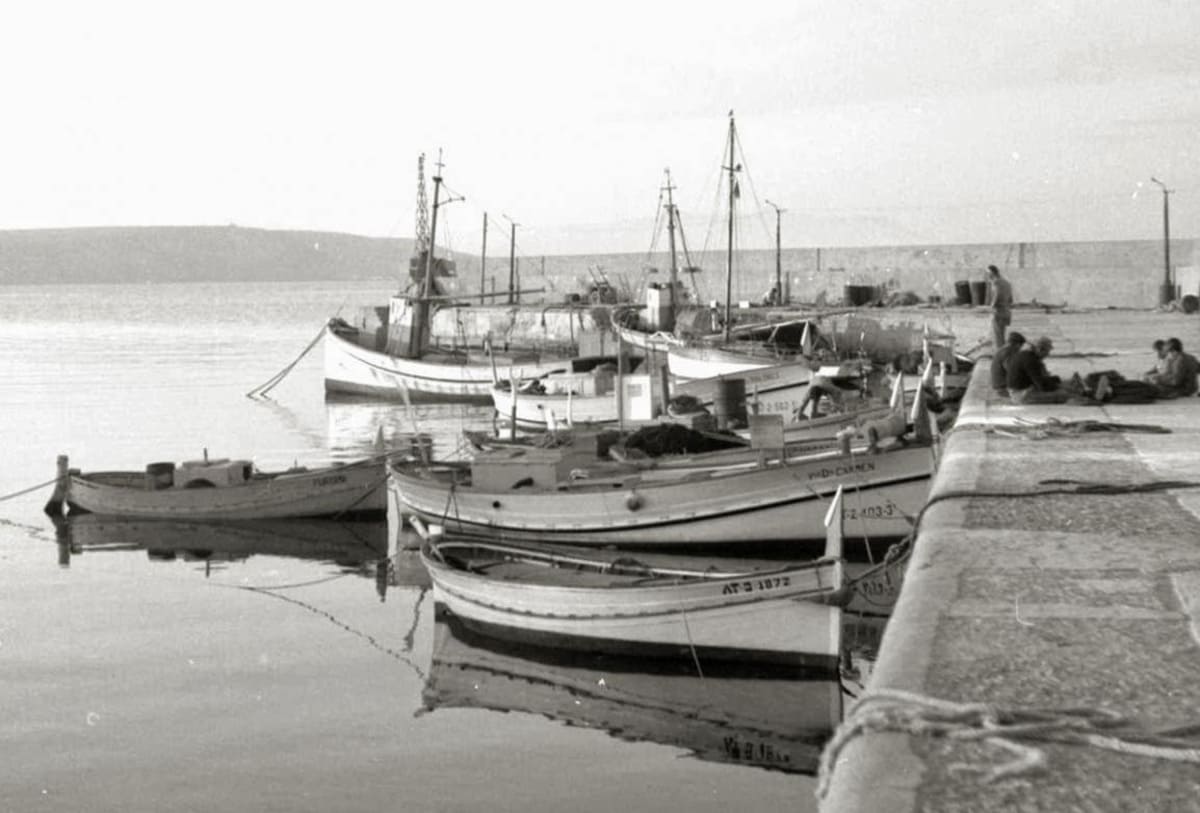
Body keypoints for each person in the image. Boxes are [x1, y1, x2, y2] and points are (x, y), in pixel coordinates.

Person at [1006, 335, 1069, 404]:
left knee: (1060, 388)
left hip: (1020, 391)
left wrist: (1055, 381)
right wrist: (1059, 386)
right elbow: (1042, 386)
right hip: (1022, 395)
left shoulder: (1027, 355)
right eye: (1047, 351)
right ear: (1040, 349)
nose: (1048, 354)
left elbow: (1039, 380)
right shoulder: (1030, 360)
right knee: (1064, 395)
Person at [989, 330, 1026, 398]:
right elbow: (1012, 371)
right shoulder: (1008, 352)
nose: (1020, 349)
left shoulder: (1003, 350)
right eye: (1021, 346)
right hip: (1003, 388)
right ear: (1017, 345)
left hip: (1000, 386)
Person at [986, 264, 1013, 352]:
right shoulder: (1007, 283)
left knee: (998, 337)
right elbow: (1011, 299)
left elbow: (997, 296)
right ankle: (1003, 354)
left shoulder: (996, 283)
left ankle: (1000, 356)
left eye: (988, 273)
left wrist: (991, 306)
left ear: (992, 273)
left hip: (998, 312)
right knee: (1002, 335)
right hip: (1007, 312)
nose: (987, 276)